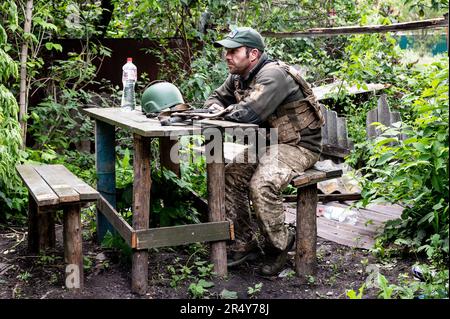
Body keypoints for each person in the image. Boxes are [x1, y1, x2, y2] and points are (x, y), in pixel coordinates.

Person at [203, 27, 324, 276]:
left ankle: (279, 245)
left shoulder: (273, 75)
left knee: (262, 184)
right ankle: (244, 241)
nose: (227, 56)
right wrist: (216, 106)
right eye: (226, 51)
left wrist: (221, 111)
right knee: (231, 175)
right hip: (269, 143)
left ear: (253, 54)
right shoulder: (238, 76)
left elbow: (249, 113)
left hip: (300, 145)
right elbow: (215, 98)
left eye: (233, 51)